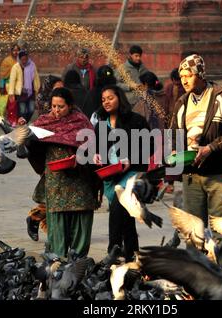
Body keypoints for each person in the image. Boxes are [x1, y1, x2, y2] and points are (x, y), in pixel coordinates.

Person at [169, 54, 222, 267]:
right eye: (182, 75)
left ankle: (217, 271)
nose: (184, 80)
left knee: (220, 226)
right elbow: (173, 134)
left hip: (220, 173)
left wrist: (211, 148)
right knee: (193, 227)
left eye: (188, 75)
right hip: (192, 174)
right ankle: (195, 272)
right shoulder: (182, 102)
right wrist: (174, 151)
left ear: (200, 74)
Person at [26, 87, 102, 257]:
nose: (56, 111)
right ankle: (58, 262)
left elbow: (92, 148)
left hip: (80, 182)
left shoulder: (81, 123)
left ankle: (78, 262)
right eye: (53, 106)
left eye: (61, 107)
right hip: (56, 181)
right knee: (57, 226)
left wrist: (81, 158)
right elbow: (33, 148)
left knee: (80, 223)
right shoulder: (43, 122)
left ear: (70, 106)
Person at [93, 85, 152, 262]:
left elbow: (147, 147)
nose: (106, 102)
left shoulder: (136, 121)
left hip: (132, 174)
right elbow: (96, 149)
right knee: (125, 215)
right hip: (110, 176)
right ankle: (133, 254)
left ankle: (114, 249)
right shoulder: (101, 124)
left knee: (119, 206)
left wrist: (130, 160)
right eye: (103, 100)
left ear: (119, 98)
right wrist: (96, 155)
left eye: (110, 98)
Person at [8, 49, 40, 123]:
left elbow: (36, 77)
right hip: (21, 93)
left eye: (26, 59)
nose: (24, 61)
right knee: (22, 111)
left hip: (31, 91)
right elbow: (12, 80)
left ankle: (24, 122)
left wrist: (37, 88)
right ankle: (23, 124)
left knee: (31, 110)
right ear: (19, 59)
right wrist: (11, 93)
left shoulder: (32, 65)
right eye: (22, 59)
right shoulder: (16, 67)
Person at [0, 44, 20, 125]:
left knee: (17, 104)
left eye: (17, 50)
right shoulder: (6, 61)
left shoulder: (21, 60)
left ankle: (14, 119)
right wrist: (1, 86)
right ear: (11, 51)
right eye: (14, 50)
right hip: (9, 85)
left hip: (19, 85)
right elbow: (3, 75)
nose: (16, 52)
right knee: (11, 104)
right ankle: (11, 120)